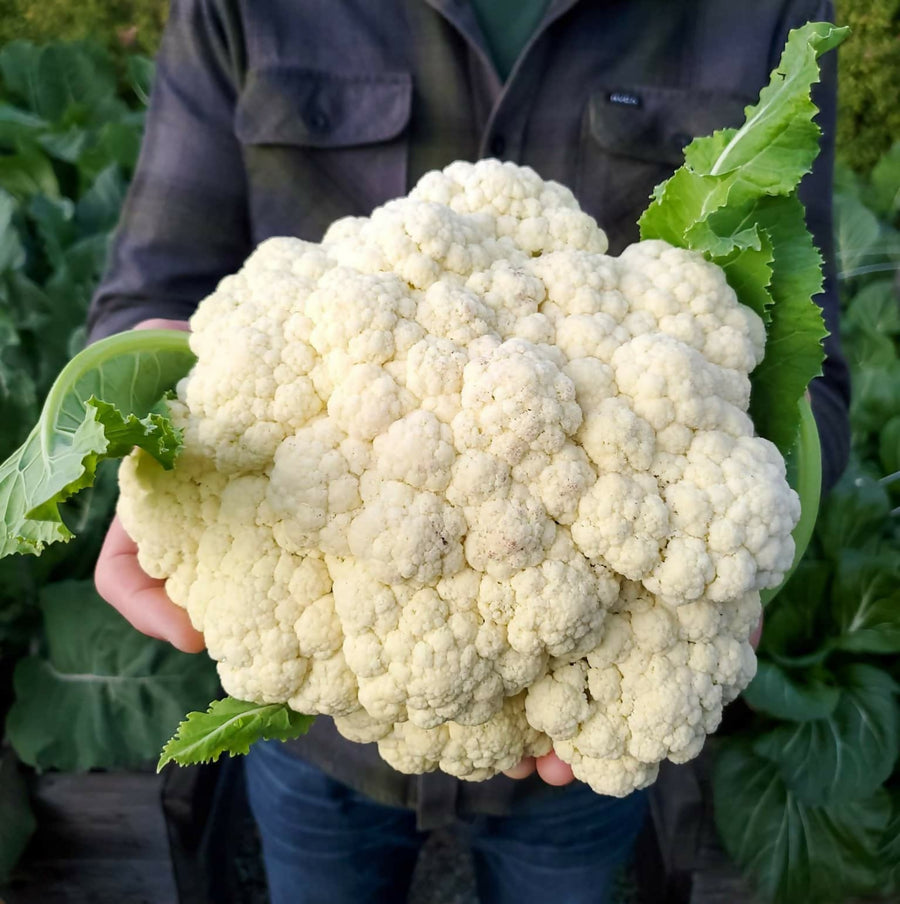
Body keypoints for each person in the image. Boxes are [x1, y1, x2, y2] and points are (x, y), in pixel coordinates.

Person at [89, 2, 851, 902]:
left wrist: (739, 531)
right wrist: (136, 431)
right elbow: (146, 297)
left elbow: (811, 376)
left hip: (589, 708)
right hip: (319, 718)